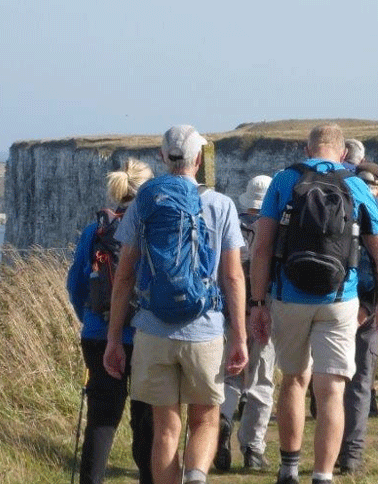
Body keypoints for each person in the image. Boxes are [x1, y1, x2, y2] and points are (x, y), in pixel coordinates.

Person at [249, 124, 378, 484]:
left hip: (290, 295)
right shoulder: (358, 185)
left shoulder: (284, 181)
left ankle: (288, 469)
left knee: (294, 381)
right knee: (332, 388)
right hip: (339, 299)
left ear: (307, 148)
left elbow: (262, 248)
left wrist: (258, 303)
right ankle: (323, 475)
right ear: (343, 153)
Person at [104, 125, 248, 484]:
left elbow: (123, 278)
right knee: (205, 418)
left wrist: (112, 340)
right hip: (205, 329)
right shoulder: (221, 205)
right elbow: (232, 278)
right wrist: (241, 337)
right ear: (199, 159)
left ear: (162, 157)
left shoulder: (144, 202)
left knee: (165, 429)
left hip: (153, 329)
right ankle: (196, 478)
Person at [67, 158, 154, 484]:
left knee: (102, 418)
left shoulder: (97, 230)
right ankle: (149, 477)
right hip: (146, 333)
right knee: (146, 415)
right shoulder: (151, 228)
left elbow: (76, 283)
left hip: (98, 332)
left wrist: (91, 320)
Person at [337, 162, 378, 474]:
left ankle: (330, 449)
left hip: (331, 303)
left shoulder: (339, 204)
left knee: (331, 380)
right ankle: (351, 456)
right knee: (361, 381)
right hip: (366, 305)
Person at [215, 174, 275, 472]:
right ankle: (252, 449)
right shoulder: (275, 228)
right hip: (266, 311)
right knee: (261, 380)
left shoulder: (231, 224)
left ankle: (223, 419)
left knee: (230, 376)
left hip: (231, 312)